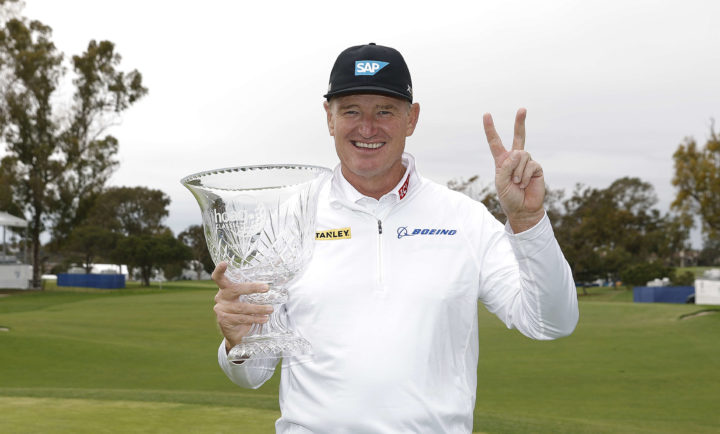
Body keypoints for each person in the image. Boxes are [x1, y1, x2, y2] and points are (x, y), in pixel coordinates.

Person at [212, 43, 579, 433]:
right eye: (351, 110)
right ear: (329, 117)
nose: (367, 127)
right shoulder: (285, 221)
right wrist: (237, 341)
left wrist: (527, 219)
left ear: (411, 118)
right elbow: (251, 374)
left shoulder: (464, 218)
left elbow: (550, 322)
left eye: (384, 111)